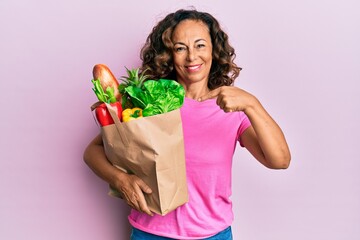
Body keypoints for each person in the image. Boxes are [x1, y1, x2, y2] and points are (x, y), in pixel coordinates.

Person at [83, 8, 291, 240]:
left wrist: (253, 105)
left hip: (213, 235)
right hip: (151, 233)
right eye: (180, 48)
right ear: (168, 55)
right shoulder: (150, 100)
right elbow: (93, 151)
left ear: (214, 50)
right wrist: (121, 180)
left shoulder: (232, 107)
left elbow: (280, 160)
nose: (192, 56)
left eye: (200, 45)